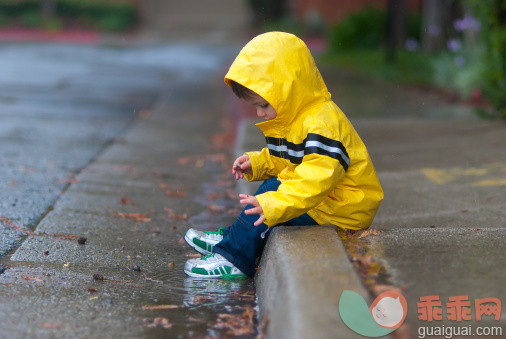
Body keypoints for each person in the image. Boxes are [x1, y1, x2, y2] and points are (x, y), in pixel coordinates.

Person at [184, 32, 383, 278]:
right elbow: (287, 158)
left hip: (340, 209)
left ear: (288, 90)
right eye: (256, 107)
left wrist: (274, 203)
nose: (259, 114)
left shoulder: (323, 124)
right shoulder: (295, 117)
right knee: (271, 189)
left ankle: (234, 258)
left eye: (263, 105)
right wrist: (257, 162)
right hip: (324, 200)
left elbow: (315, 180)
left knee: (271, 196)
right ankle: (233, 239)